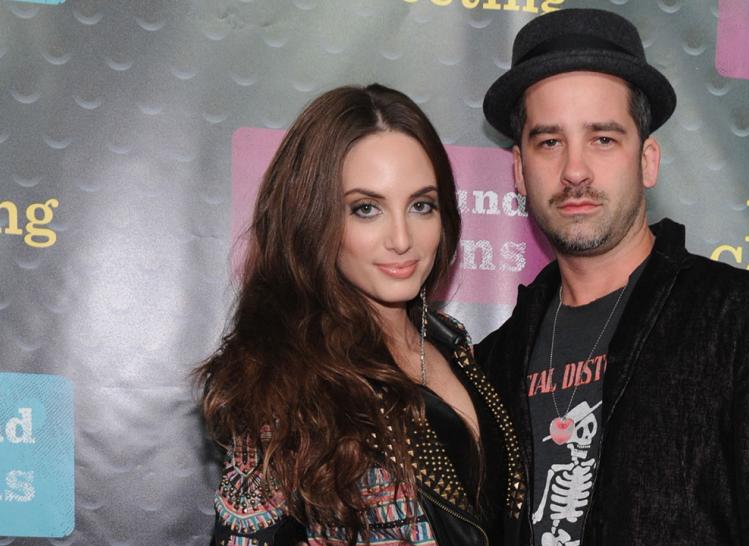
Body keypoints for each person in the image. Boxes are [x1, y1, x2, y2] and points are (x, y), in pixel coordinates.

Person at [475, 9, 749, 545]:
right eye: (549, 142)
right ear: (518, 171)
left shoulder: (743, 321)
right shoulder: (491, 363)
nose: (575, 170)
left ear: (647, 161)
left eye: (603, 139)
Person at [196, 84, 525, 545]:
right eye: (366, 209)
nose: (402, 239)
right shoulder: (287, 384)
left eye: (421, 205)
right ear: (313, 218)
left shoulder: (454, 346)